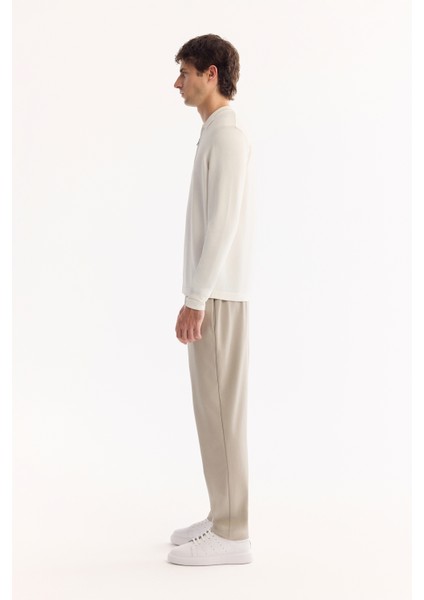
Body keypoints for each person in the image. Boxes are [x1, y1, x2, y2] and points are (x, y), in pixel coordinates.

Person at [168, 34, 255, 567]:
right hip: (212, 295)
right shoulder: (214, 136)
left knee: (222, 412)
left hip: (218, 297)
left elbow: (222, 227)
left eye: (184, 71)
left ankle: (233, 531)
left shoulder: (227, 139)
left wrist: (196, 298)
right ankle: (221, 513)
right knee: (213, 411)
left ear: (211, 74)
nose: (177, 82)